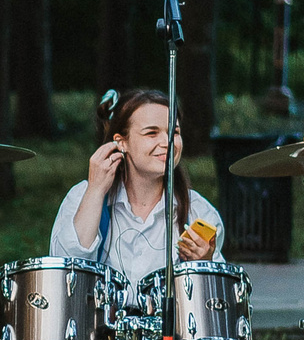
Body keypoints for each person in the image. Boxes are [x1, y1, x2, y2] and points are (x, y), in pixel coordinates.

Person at [48, 89, 224, 292]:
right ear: (122, 142)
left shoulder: (199, 212)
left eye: (174, 133)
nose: (166, 143)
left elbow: (218, 301)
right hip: (97, 324)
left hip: (170, 324)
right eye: (151, 133)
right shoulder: (82, 196)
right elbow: (65, 275)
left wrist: (206, 264)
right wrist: (96, 191)